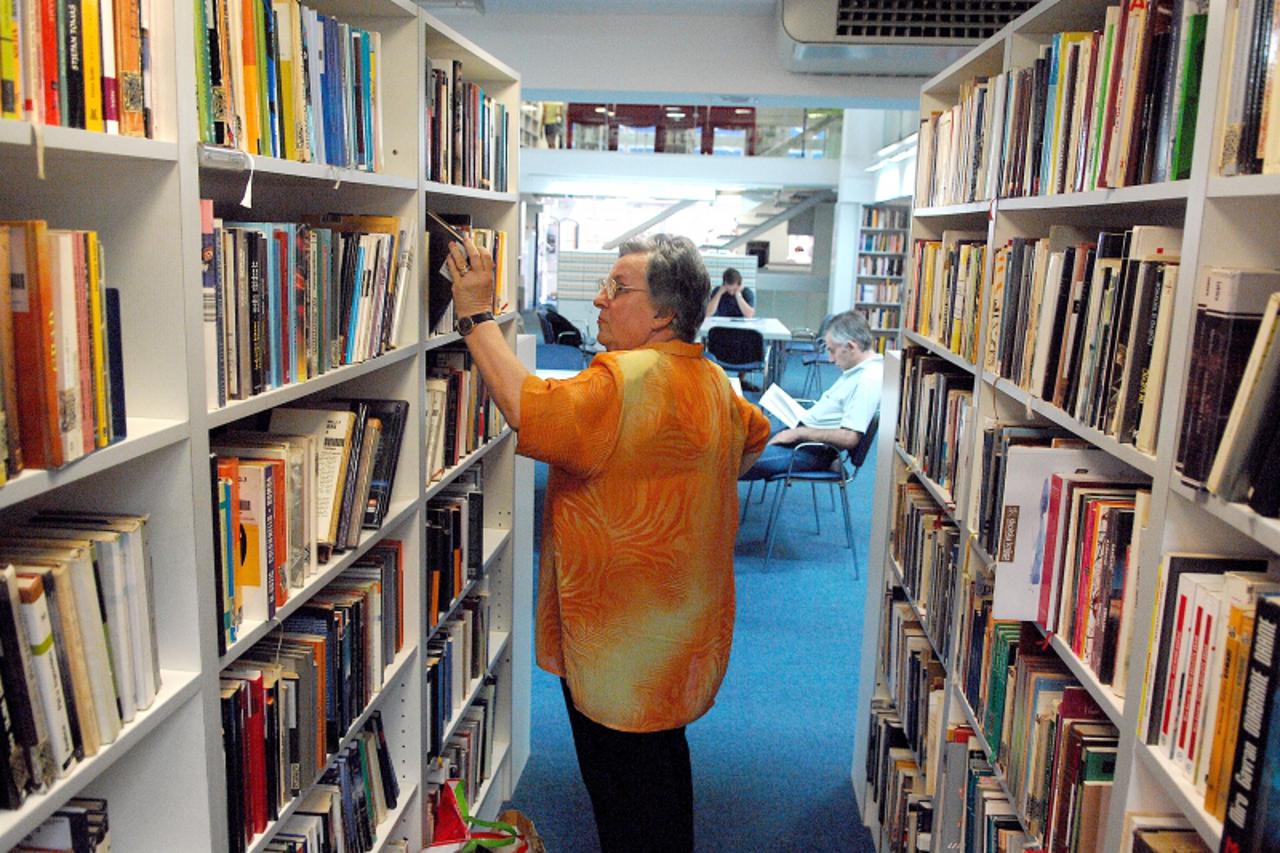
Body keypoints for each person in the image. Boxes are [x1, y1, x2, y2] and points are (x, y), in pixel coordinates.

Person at [446, 233, 771, 853]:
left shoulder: (620, 379)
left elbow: (525, 406)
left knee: (622, 790)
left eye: (616, 289)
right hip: (682, 630)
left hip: (620, 640)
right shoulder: (710, 378)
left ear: (663, 314)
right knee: (662, 767)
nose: (598, 300)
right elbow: (753, 440)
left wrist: (475, 315)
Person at [742, 310, 882, 480]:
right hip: (803, 436)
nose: (830, 359)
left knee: (731, 461)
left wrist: (799, 434)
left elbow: (850, 437)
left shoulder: (867, 379)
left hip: (810, 450)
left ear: (851, 347)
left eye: (832, 351)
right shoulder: (856, 370)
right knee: (740, 440)